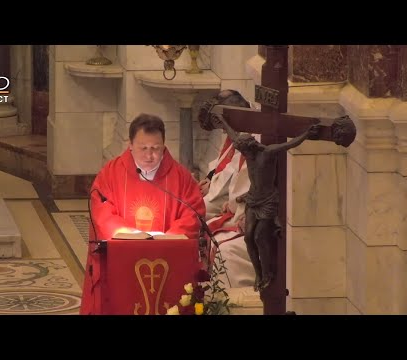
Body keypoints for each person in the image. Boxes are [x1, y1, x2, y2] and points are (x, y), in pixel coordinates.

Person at [80, 113, 205, 314]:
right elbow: (101, 209)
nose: (149, 155)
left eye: (156, 148)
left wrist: (169, 237)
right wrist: (126, 233)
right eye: (143, 148)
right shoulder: (111, 173)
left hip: (167, 256)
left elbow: (193, 211)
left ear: (164, 145)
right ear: (130, 145)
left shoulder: (180, 176)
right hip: (123, 254)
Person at [204, 108, 320, 292]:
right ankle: (259, 274)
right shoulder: (246, 152)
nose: (241, 152)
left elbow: (290, 145)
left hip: (267, 203)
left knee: (257, 237)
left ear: (250, 146)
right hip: (252, 201)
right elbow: (233, 134)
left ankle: (265, 276)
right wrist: (221, 119)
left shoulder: (266, 153)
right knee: (249, 238)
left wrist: (307, 133)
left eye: (243, 149)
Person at [197, 90, 259, 289]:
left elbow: (246, 185)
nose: (225, 132)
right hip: (238, 208)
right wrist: (209, 178)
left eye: (224, 126)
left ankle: (226, 302)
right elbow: (229, 169)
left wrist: (234, 205)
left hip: (256, 217)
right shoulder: (243, 129)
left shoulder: (254, 141)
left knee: (222, 249)